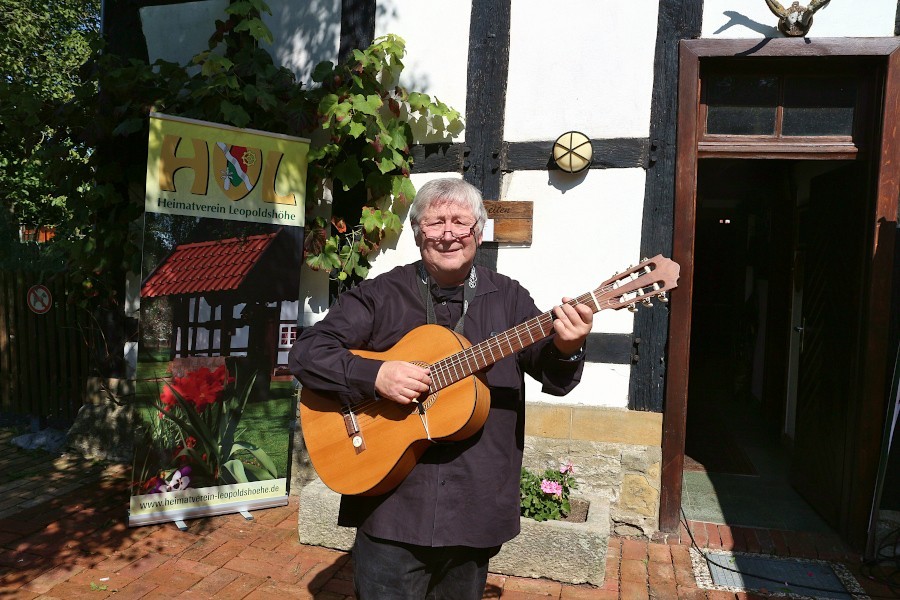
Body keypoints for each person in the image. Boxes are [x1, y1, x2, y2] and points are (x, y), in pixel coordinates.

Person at [289, 177, 592, 599]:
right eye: (435, 223)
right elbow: (306, 353)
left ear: (479, 232)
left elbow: (555, 376)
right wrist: (374, 376)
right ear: (417, 234)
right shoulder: (381, 294)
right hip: (391, 506)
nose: (448, 234)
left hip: (475, 503)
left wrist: (568, 345)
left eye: (460, 222)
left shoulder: (509, 299)